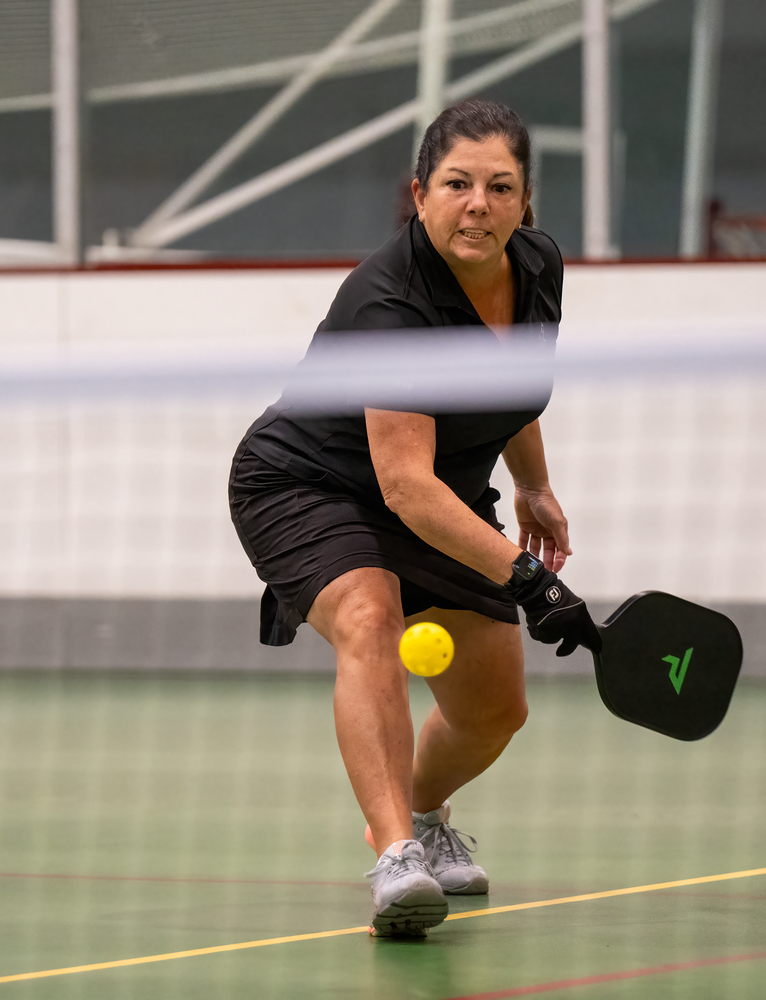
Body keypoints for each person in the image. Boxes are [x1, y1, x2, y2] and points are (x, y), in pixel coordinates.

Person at [228, 99, 600, 937]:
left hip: (442, 489)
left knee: (494, 709)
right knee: (369, 614)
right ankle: (396, 856)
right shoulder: (386, 301)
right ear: (421, 193)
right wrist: (529, 577)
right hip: (309, 484)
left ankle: (420, 812)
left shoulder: (537, 266)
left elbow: (508, 388)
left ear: (526, 202)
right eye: (458, 184)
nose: (479, 204)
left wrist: (534, 487)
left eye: (500, 187)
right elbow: (403, 490)